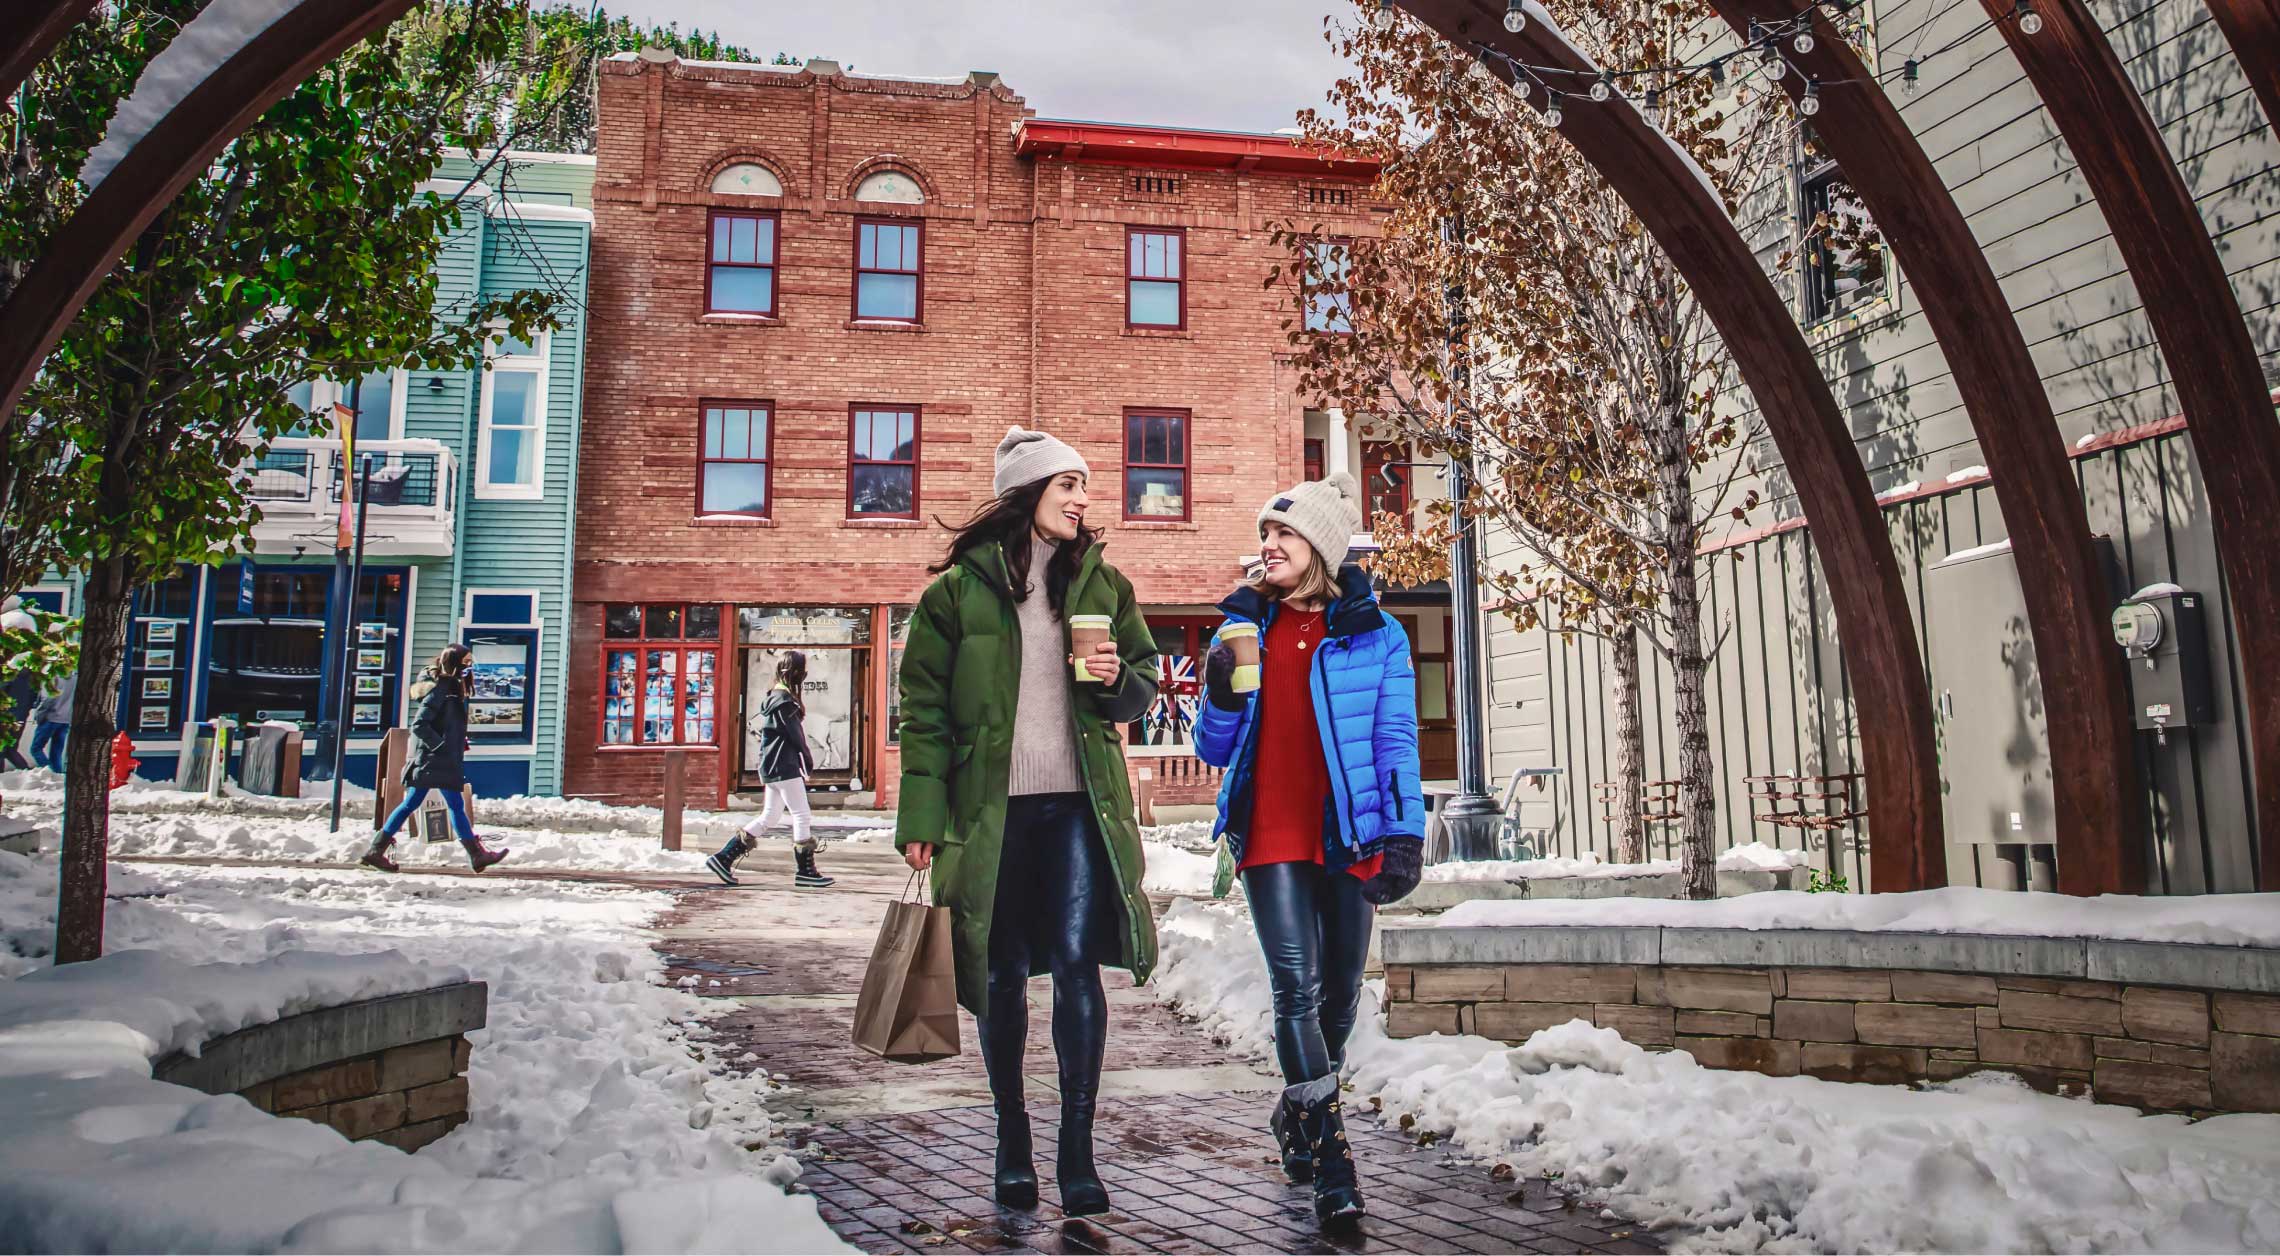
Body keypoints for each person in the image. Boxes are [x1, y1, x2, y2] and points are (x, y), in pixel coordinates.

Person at [896, 426, 1160, 1217]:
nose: (1083, 500)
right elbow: (925, 714)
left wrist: (1121, 682)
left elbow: (1145, 677)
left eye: (1084, 486)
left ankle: (1076, 1151)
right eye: (1067, 485)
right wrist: (923, 815)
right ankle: (1013, 1140)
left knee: (1079, 965)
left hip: (1080, 807)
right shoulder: (954, 595)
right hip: (990, 815)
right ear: (1027, 495)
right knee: (1000, 973)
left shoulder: (1103, 584)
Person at [1194, 471, 1426, 1231]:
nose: (1268, 546)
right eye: (1266, 535)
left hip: (1349, 831)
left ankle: (1294, 1113)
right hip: (1270, 830)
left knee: (1338, 998)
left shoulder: (1375, 633)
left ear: (1319, 546)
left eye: (1283, 534)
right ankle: (1333, 1158)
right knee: (1294, 990)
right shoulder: (1243, 629)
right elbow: (1214, 748)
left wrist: (1405, 833)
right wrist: (1222, 694)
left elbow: (1395, 737)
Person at [360, 643, 510, 873]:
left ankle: (376, 850)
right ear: (454, 662)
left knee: (433, 804)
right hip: (435, 760)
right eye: (466, 662)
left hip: (438, 759)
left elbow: (442, 722)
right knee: (434, 805)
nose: (470, 667)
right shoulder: (443, 687)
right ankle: (476, 855)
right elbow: (420, 724)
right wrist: (441, 745)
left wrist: (456, 739)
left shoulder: (449, 686)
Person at [706, 650, 833, 888]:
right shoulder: (785, 702)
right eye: (802, 671)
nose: (804, 676)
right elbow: (797, 738)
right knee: (801, 814)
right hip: (784, 766)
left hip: (772, 766)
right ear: (795, 673)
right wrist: (808, 760)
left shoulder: (774, 697)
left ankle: (723, 858)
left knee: (770, 816)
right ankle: (806, 871)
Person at [28, 673, 74, 773]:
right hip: (66, 718)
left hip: (50, 717)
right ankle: (57, 775)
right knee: (56, 753)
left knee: (36, 749)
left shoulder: (53, 675)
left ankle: (49, 772)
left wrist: (39, 715)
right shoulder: (76, 676)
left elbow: (48, 698)